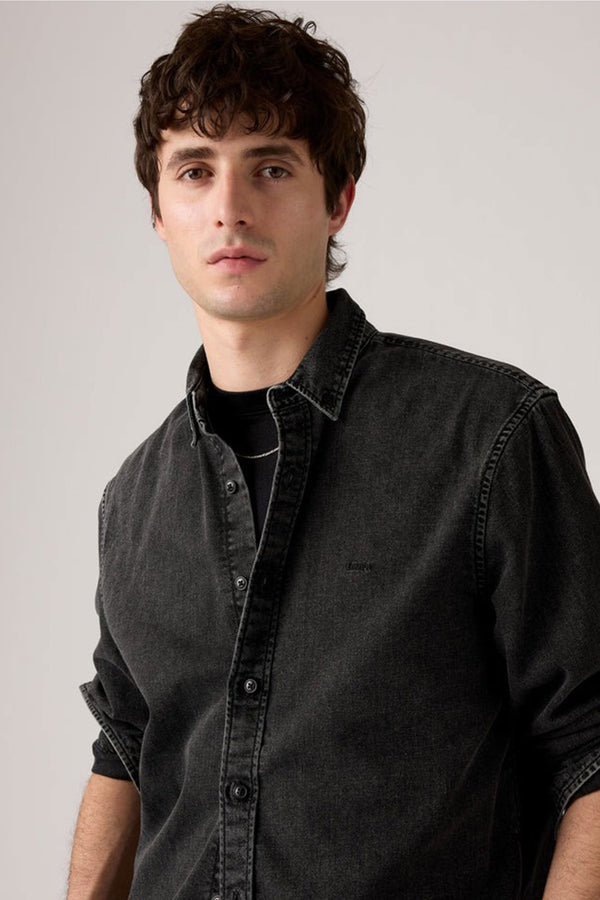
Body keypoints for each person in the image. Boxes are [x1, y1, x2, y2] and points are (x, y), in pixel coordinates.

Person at [67, 5, 600, 899]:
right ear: (159, 213)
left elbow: (588, 739)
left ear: (338, 196)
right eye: (195, 170)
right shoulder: (133, 501)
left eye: (270, 166)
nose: (229, 207)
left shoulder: (490, 436)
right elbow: (124, 744)